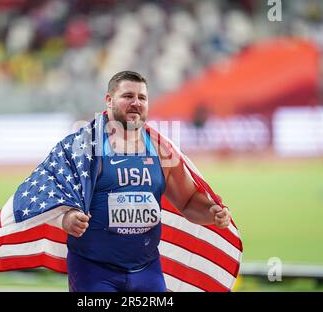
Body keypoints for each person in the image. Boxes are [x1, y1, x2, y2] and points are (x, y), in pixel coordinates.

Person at [61, 71, 231, 292]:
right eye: (128, 96)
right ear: (109, 100)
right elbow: (57, 201)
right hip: (94, 270)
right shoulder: (85, 147)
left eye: (142, 98)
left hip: (146, 269)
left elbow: (188, 202)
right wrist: (68, 217)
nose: (136, 103)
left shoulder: (161, 150)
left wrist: (212, 212)